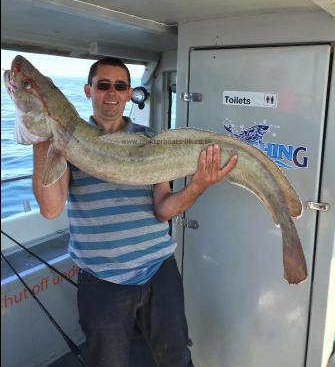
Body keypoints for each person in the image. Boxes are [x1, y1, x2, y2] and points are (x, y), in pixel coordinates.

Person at [32, 57, 237, 367]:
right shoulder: (69, 141)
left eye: (120, 86)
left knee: (177, 359)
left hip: (159, 271)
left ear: (130, 94)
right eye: (103, 85)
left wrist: (198, 185)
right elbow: (50, 209)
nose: (111, 93)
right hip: (102, 280)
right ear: (89, 91)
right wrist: (40, 138)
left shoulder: (152, 140)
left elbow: (163, 210)